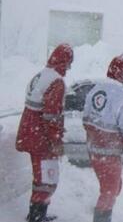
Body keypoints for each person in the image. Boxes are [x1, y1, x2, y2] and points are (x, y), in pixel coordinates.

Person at [82, 54, 123, 222]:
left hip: (94, 152)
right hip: (109, 155)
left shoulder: (94, 91)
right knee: (109, 192)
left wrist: (95, 138)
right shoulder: (122, 99)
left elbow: (86, 120)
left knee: (111, 188)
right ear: (122, 74)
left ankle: (101, 214)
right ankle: (101, 218)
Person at [15, 43, 74, 222]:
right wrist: (56, 142)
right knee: (47, 178)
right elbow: (51, 117)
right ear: (64, 61)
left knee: (40, 175)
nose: (69, 67)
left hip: (29, 133)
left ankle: (36, 213)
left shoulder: (40, 75)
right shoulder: (56, 81)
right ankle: (37, 216)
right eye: (69, 62)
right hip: (41, 138)